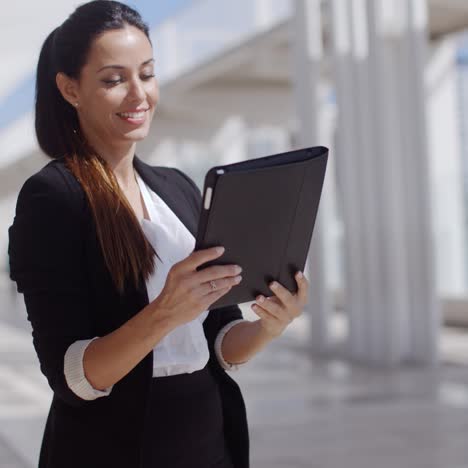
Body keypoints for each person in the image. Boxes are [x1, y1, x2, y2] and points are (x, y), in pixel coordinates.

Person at [7, 1, 309, 467]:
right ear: (70, 89)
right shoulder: (52, 198)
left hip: (207, 437)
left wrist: (270, 325)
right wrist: (164, 313)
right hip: (113, 447)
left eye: (146, 74)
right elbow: (73, 377)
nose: (138, 94)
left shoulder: (178, 189)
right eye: (113, 80)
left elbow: (218, 341)